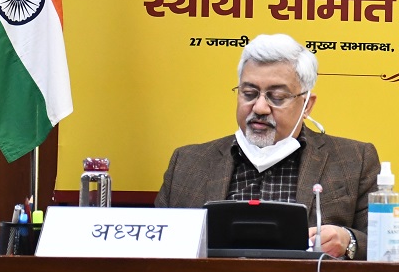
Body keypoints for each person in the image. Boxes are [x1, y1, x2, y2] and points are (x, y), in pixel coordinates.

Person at [155, 33, 379, 259]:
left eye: (277, 97)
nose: (260, 108)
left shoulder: (354, 160)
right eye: (249, 94)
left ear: (307, 106)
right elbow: (153, 245)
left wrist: (349, 241)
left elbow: (387, 249)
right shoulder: (188, 164)